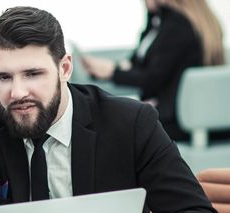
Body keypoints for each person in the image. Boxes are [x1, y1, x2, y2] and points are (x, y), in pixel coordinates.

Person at [0, 6, 222, 213]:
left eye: (33, 74)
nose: (18, 92)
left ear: (65, 68)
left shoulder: (129, 123)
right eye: (4, 77)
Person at [81, 0, 225, 141]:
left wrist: (113, 72)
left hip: (176, 117)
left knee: (103, 124)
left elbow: (155, 78)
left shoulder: (178, 25)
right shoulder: (170, 21)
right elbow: (144, 63)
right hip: (181, 113)